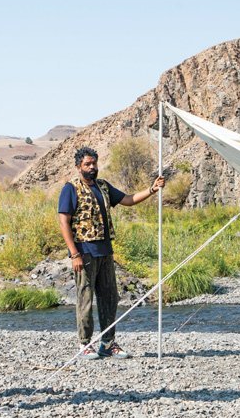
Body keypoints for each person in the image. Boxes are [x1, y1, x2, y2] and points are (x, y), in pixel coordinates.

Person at [58, 146, 165, 359]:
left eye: (94, 163)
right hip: (84, 252)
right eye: (87, 164)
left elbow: (128, 199)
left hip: (106, 251)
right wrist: (74, 254)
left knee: (109, 298)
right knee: (85, 298)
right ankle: (84, 343)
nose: (92, 167)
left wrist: (152, 189)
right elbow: (64, 221)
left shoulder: (103, 186)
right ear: (79, 166)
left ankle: (107, 343)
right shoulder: (70, 188)